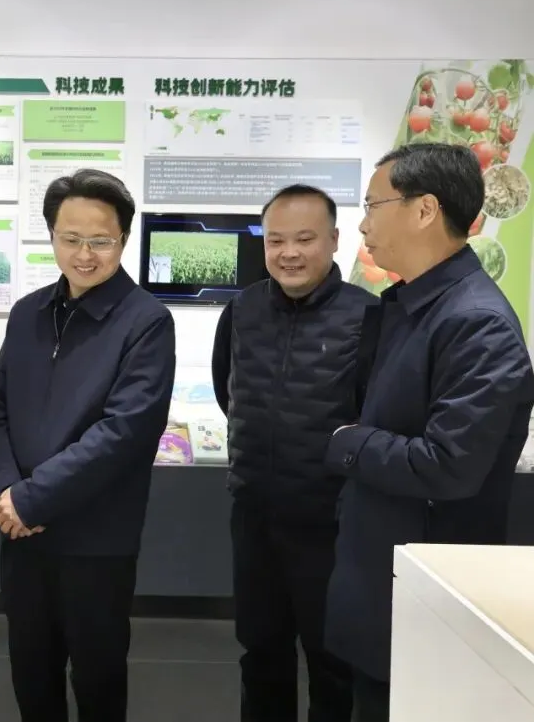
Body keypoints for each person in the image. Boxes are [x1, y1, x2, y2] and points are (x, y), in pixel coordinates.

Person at [325, 142, 534, 721]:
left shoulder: (476, 322)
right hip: (384, 577)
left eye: (373, 205)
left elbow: (449, 465)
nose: (363, 224)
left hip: (420, 590)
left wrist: (347, 442)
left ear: (424, 210)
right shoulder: (417, 305)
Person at [0, 168, 176, 722]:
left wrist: (31, 499)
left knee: (98, 680)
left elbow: (124, 432)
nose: (84, 255)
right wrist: (6, 493)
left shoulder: (146, 322)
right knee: (31, 675)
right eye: (70, 239)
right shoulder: (28, 312)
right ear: (51, 236)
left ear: (124, 239)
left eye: (101, 241)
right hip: (22, 535)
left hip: (96, 540)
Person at [212, 184, 373, 722]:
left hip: (332, 525)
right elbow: (227, 391)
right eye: (276, 240)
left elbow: (376, 414)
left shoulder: (369, 316)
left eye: (305, 239)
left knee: (333, 663)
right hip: (254, 517)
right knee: (260, 653)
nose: (289, 253)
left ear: (334, 239)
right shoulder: (242, 310)